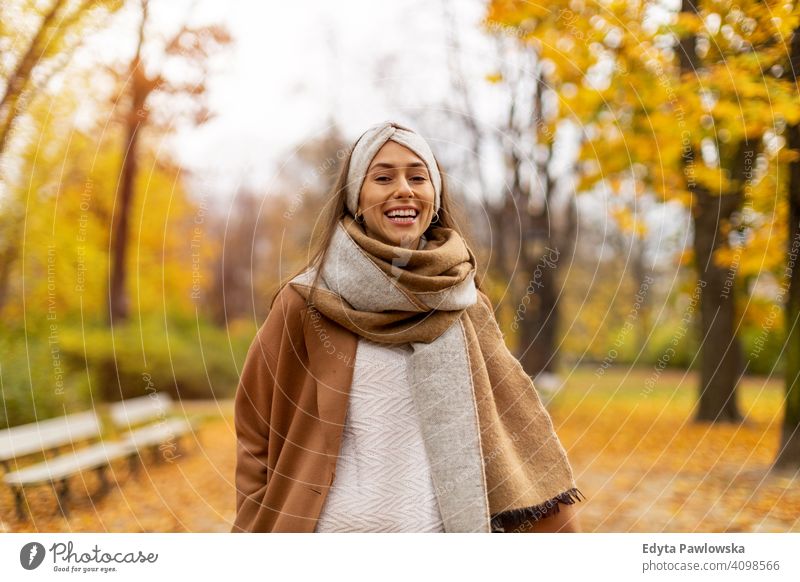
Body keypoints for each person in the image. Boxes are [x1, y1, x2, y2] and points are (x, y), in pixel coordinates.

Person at [231, 120, 583, 533]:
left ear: (433, 198)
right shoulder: (305, 303)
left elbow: (510, 433)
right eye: (383, 177)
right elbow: (256, 428)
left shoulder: (465, 303)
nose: (404, 189)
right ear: (355, 198)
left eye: (418, 177)